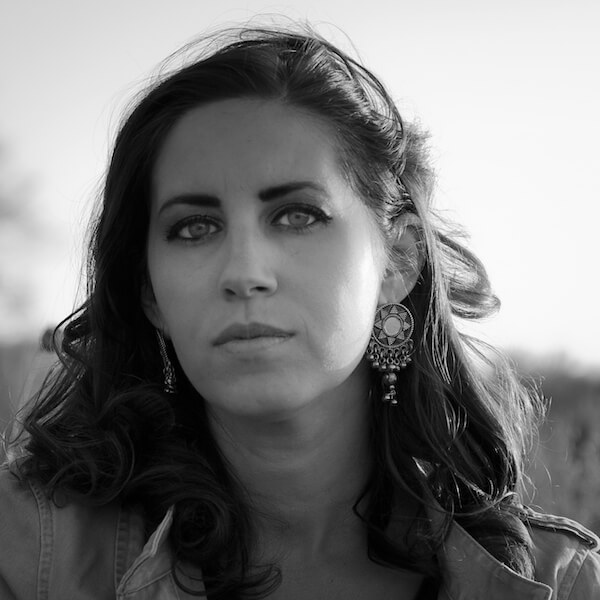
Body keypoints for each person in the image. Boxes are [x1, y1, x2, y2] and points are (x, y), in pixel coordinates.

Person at [1, 24, 599, 600]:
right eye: (195, 227)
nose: (243, 273)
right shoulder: (27, 554)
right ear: (151, 293)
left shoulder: (560, 584)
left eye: (296, 216)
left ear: (397, 260)